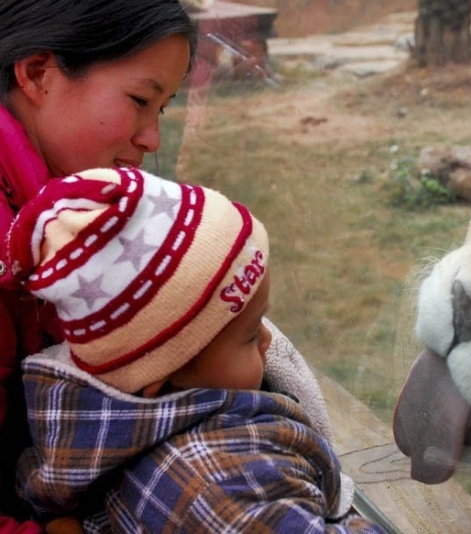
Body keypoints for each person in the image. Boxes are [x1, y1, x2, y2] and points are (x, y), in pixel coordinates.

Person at [8, 167, 383, 533]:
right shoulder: (218, 487)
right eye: (251, 335)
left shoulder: (113, 433)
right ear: (158, 376)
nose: (269, 341)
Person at [0, 2, 198, 530]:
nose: (151, 138)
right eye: (140, 100)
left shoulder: (50, 214)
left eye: (163, 109)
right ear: (39, 74)